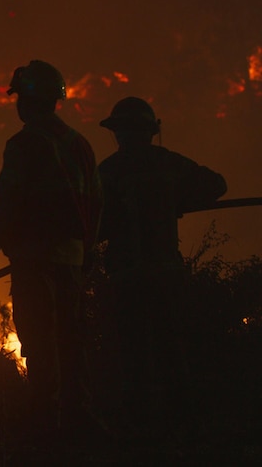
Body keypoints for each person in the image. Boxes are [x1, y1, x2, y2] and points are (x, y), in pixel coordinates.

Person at [0, 60, 103, 435]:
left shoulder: (24, 143)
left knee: (39, 337)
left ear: (28, 101)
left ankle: (44, 423)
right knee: (71, 337)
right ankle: (79, 418)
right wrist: (87, 250)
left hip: (34, 257)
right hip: (72, 257)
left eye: (19, 97)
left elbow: (8, 197)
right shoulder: (79, 144)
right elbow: (95, 201)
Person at [97, 96, 227, 429]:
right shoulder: (168, 163)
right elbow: (216, 184)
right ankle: (183, 421)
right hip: (165, 273)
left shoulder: (108, 171)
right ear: (152, 132)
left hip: (127, 277)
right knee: (172, 347)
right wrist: (176, 200)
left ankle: (141, 427)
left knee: (133, 353)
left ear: (122, 133)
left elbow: (91, 220)